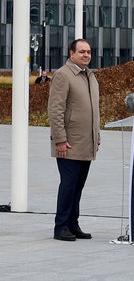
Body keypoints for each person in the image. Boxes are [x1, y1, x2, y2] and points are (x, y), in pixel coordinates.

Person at [47, 39, 100, 241]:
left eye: (88, 52)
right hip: (69, 143)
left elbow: (95, 111)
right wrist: (59, 139)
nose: (86, 55)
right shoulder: (63, 75)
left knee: (78, 187)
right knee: (68, 186)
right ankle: (60, 227)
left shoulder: (90, 77)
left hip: (86, 142)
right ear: (71, 54)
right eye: (81, 52)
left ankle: (72, 224)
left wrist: (97, 136)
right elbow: (55, 109)